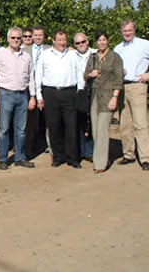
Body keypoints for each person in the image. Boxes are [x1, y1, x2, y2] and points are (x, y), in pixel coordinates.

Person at [114, 20, 149, 171]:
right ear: (121, 32)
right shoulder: (118, 48)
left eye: (129, 30)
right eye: (125, 31)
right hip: (122, 87)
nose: (127, 33)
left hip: (138, 86)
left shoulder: (145, 44)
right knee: (124, 124)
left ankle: (144, 158)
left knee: (140, 124)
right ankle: (128, 155)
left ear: (134, 30)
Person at [36, 30, 85, 168]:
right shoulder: (45, 55)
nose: (62, 43)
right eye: (59, 40)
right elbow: (38, 75)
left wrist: (80, 91)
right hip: (51, 93)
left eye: (64, 40)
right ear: (53, 40)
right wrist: (39, 95)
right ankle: (58, 156)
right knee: (54, 126)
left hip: (69, 93)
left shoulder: (73, 54)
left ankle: (72, 158)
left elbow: (80, 74)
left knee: (71, 126)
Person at [0, 27, 37, 170]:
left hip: (22, 95)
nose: (16, 40)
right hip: (6, 95)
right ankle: (3, 159)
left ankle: (19, 157)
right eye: (13, 38)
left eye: (18, 38)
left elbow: (31, 78)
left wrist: (32, 96)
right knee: (4, 128)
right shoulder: (0, 55)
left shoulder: (26, 57)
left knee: (21, 129)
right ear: (8, 39)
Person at [84, 30, 123, 173]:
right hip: (95, 96)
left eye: (104, 40)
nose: (102, 42)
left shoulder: (115, 57)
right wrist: (90, 74)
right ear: (96, 42)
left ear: (108, 41)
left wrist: (115, 97)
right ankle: (100, 156)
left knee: (102, 129)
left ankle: (100, 163)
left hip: (108, 96)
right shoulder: (93, 56)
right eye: (99, 40)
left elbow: (119, 79)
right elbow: (85, 74)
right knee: (95, 130)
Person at [23, 24, 51, 158]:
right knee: (31, 121)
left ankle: (49, 146)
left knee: (48, 119)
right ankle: (30, 149)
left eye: (40, 35)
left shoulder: (50, 49)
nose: (38, 37)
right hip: (30, 87)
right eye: (35, 35)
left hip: (46, 87)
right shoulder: (25, 50)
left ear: (44, 36)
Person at [73, 32, 97, 163]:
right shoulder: (71, 55)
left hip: (94, 91)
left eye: (83, 42)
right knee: (80, 123)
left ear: (87, 42)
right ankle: (82, 151)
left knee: (94, 123)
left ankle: (90, 151)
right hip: (79, 92)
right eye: (77, 43)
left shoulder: (96, 54)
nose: (81, 44)